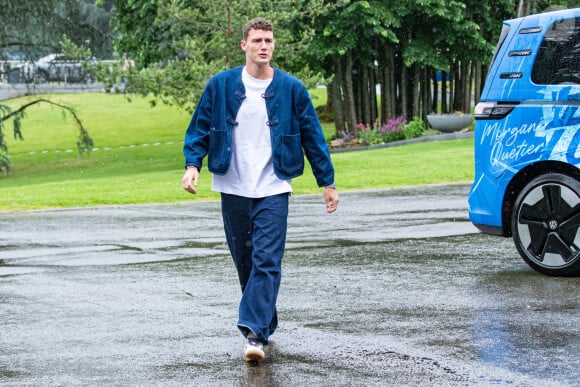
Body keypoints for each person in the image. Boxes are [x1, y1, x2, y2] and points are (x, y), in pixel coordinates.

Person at [181, 17, 339, 363]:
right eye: (257, 41)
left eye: (268, 40)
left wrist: (327, 182)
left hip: (273, 185)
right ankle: (264, 320)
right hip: (233, 185)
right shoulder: (221, 85)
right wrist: (193, 165)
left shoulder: (292, 88)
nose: (263, 46)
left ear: (273, 45)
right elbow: (199, 128)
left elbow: (313, 137)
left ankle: (254, 335)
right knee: (245, 262)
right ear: (244, 45)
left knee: (267, 259)